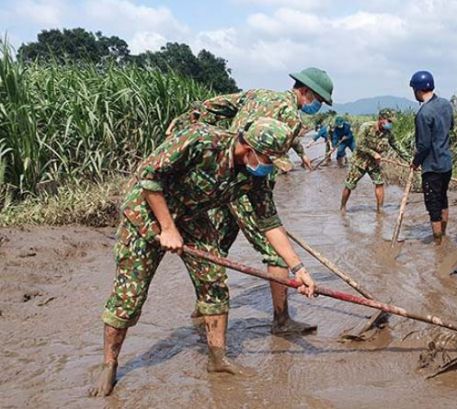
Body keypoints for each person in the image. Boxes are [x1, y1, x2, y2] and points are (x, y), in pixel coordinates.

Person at [89, 119, 317, 397]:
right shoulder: (200, 141)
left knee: (214, 281)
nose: (269, 167)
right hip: (147, 214)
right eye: (269, 159)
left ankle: (218, 359)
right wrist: (168, 228)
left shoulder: (254, 176)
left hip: (193, 218)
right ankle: (109, 364)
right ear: (248, 149)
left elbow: (269, 223)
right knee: (130, 295)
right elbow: (149, 177)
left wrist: (299, 268)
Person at [166, 67, 333, 334]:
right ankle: (282, 320)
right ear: (306, 92)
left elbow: (211, 106)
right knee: (275, 254)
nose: (317, 106)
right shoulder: (291, 118)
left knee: (217, 246)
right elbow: (273, 160)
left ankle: (203, 307)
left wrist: (195, 121)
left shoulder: (256, 94)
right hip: (249, 186)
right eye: (318, 101)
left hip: (223, 178)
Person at [409, 70, 454, 245]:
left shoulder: (423, 113)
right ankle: (443, 235)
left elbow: (423, 145)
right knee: (443, 199)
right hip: (446, 164)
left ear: (418, 90)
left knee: (433, 206)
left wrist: (415, 162)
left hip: (432, 167)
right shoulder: (446, 104)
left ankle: (438, 245)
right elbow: (450, 127)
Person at [340, 108, 411, 212]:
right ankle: (342, 207)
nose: (390, 124)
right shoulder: (366, 127)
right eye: (389, 121)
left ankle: (380, 210)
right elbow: (359, 145)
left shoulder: (388, 133)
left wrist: (410, 160)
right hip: (359, 162)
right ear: (381, 119)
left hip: (374, 164)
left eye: (391, 122)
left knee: (379, 183)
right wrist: (374, 154)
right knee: (349, 185)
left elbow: (397, 146)